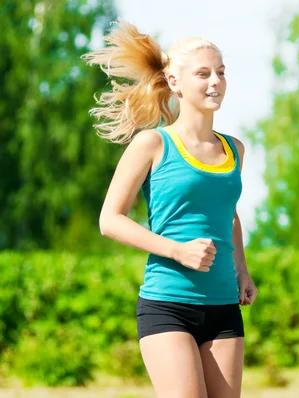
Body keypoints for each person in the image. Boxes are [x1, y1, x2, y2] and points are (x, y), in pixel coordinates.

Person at [83, 20, 258, 398]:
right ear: (175, 82)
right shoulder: (152, 144)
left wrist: (242, 270)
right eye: (203, 73)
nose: (215, 81)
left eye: (221, 73)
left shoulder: (234, 150)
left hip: (224, 306)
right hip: (167, 305)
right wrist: (177, 250)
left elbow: (229, 213)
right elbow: (109, 220)